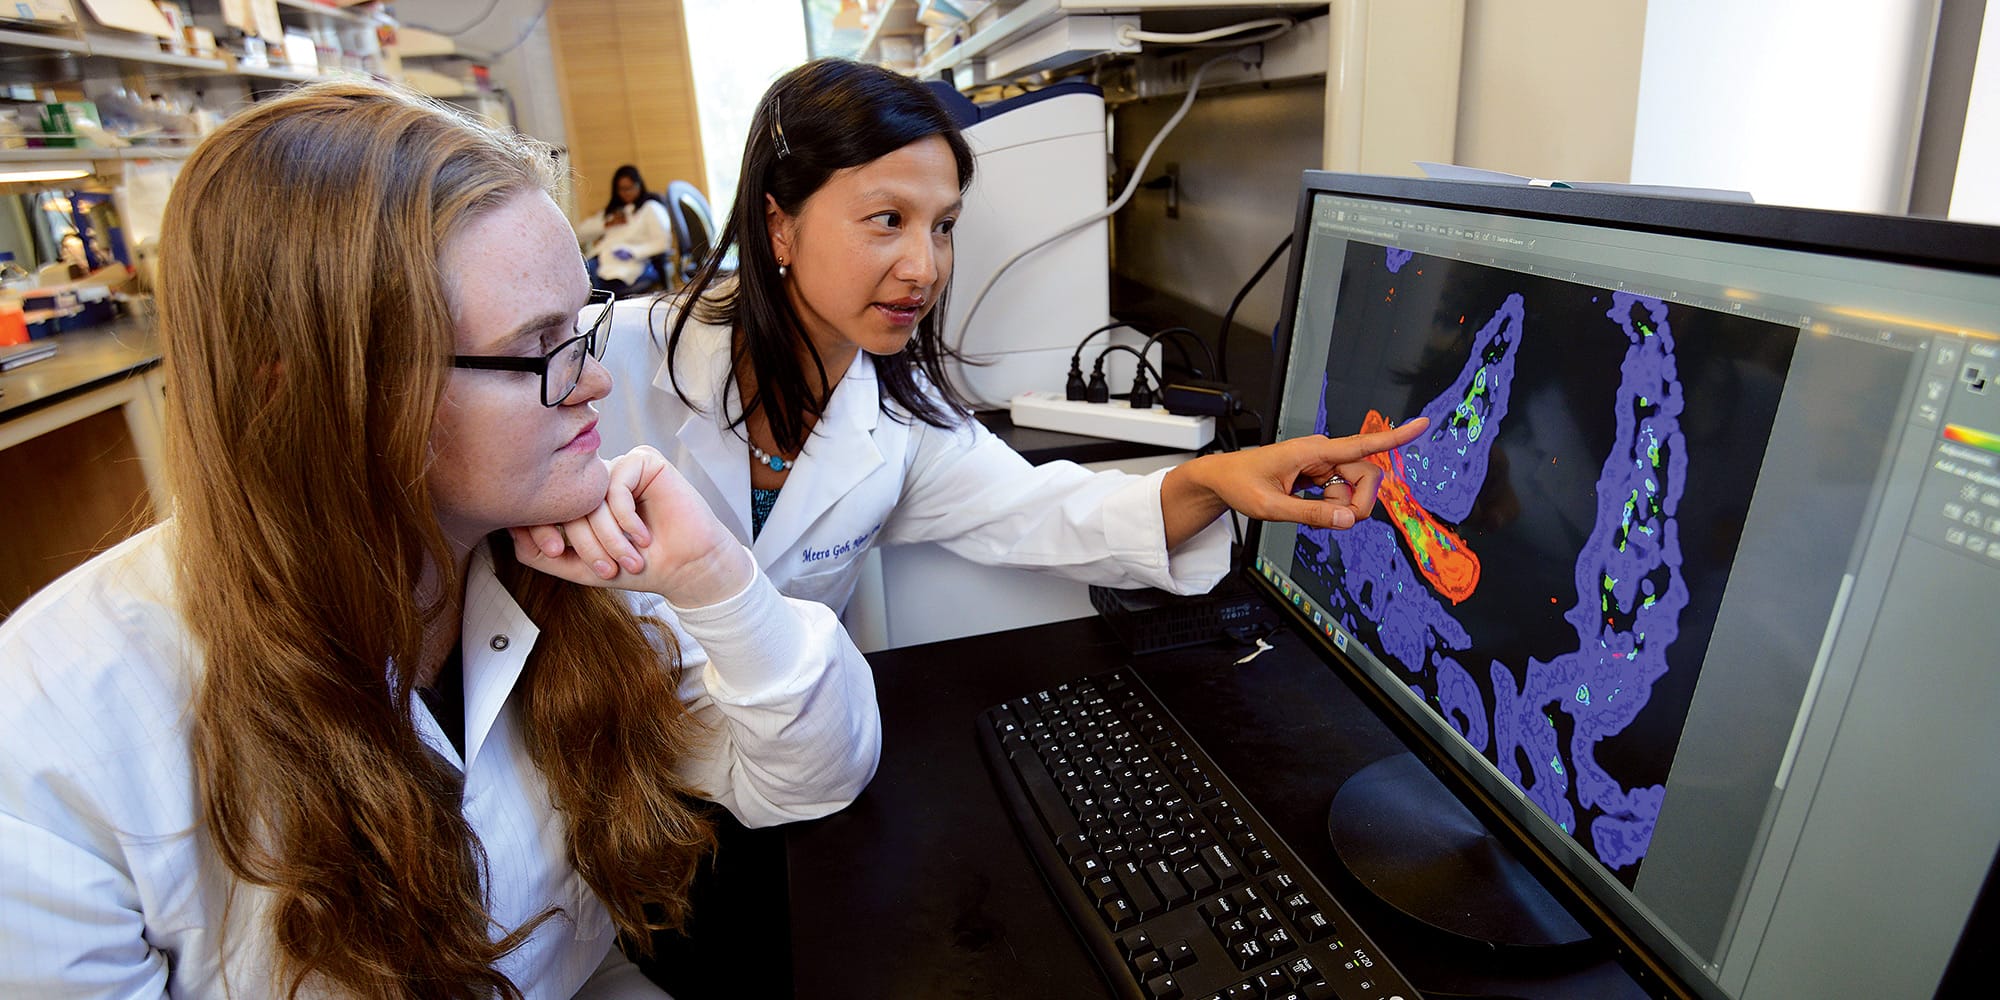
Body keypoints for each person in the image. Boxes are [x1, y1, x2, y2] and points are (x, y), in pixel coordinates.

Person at [0, 82, 878, 998]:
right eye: (539, 348)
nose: (592, 387)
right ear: (318, 396)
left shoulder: (556, 559)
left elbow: (815, 773)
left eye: (581, 328)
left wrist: (718, 582)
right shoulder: (49, 735)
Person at [581, 58, 1426, 618]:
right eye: (887, 220)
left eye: (943, 225)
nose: (926, 265)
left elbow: (1051, 513)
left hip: (775, 771)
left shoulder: (898, 422)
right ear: (779, 227)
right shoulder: (603, 363)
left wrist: (1216, 479)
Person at [576, 164, 675, 297]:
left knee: (598, 289)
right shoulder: (615, 211)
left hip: (629, 263)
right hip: (600, 261)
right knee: (580, 278)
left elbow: (662, 243)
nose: (626, 193)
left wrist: (633, 252)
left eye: (630, 188)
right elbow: (580, 233)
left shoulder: (651, 208)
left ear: (639, 185)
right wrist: (607, 224)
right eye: (622, 189)